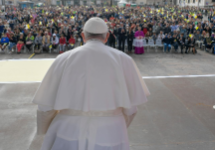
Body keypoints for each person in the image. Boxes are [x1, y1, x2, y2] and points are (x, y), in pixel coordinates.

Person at [32, 17, 150, 150]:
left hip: (68, 130)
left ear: (83, 36)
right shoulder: (124, 59)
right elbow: (131, 108)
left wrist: (46, 130)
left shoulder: (63, 59)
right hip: (110, 132)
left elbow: (45, 107)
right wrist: (117, 123)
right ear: (107, 36)